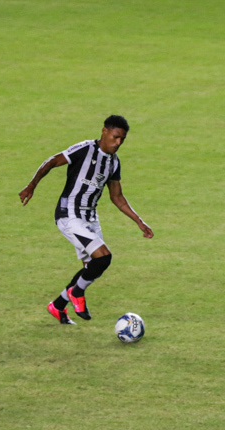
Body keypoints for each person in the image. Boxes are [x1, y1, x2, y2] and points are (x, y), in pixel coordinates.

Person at [19, 115, 154, 324]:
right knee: (103, 257)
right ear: (104, 132)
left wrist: (139, 221)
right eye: (116, 137)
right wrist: (31, 185)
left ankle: (57, 305)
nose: (118, 143)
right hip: (69, 215)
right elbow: (52, 161)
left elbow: (117, 197)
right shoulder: (84, 149)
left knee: (91, 269)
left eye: (122, 140)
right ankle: (77, 293)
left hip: (90, 218)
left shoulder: (113, 163)